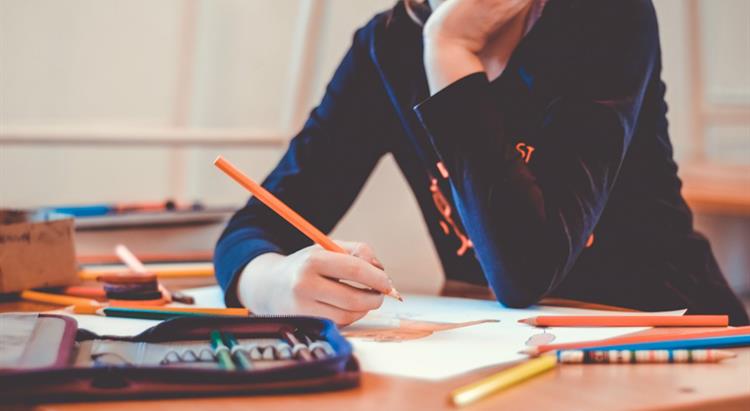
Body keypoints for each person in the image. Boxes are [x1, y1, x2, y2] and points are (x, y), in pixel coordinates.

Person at [214, 0, 749, 326]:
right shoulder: (389, 43)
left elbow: (524, 273)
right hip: (507, 350)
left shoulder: (605, 18)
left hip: (673, 336)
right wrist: (273, 283)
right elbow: (254, 226)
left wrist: (448, 51)